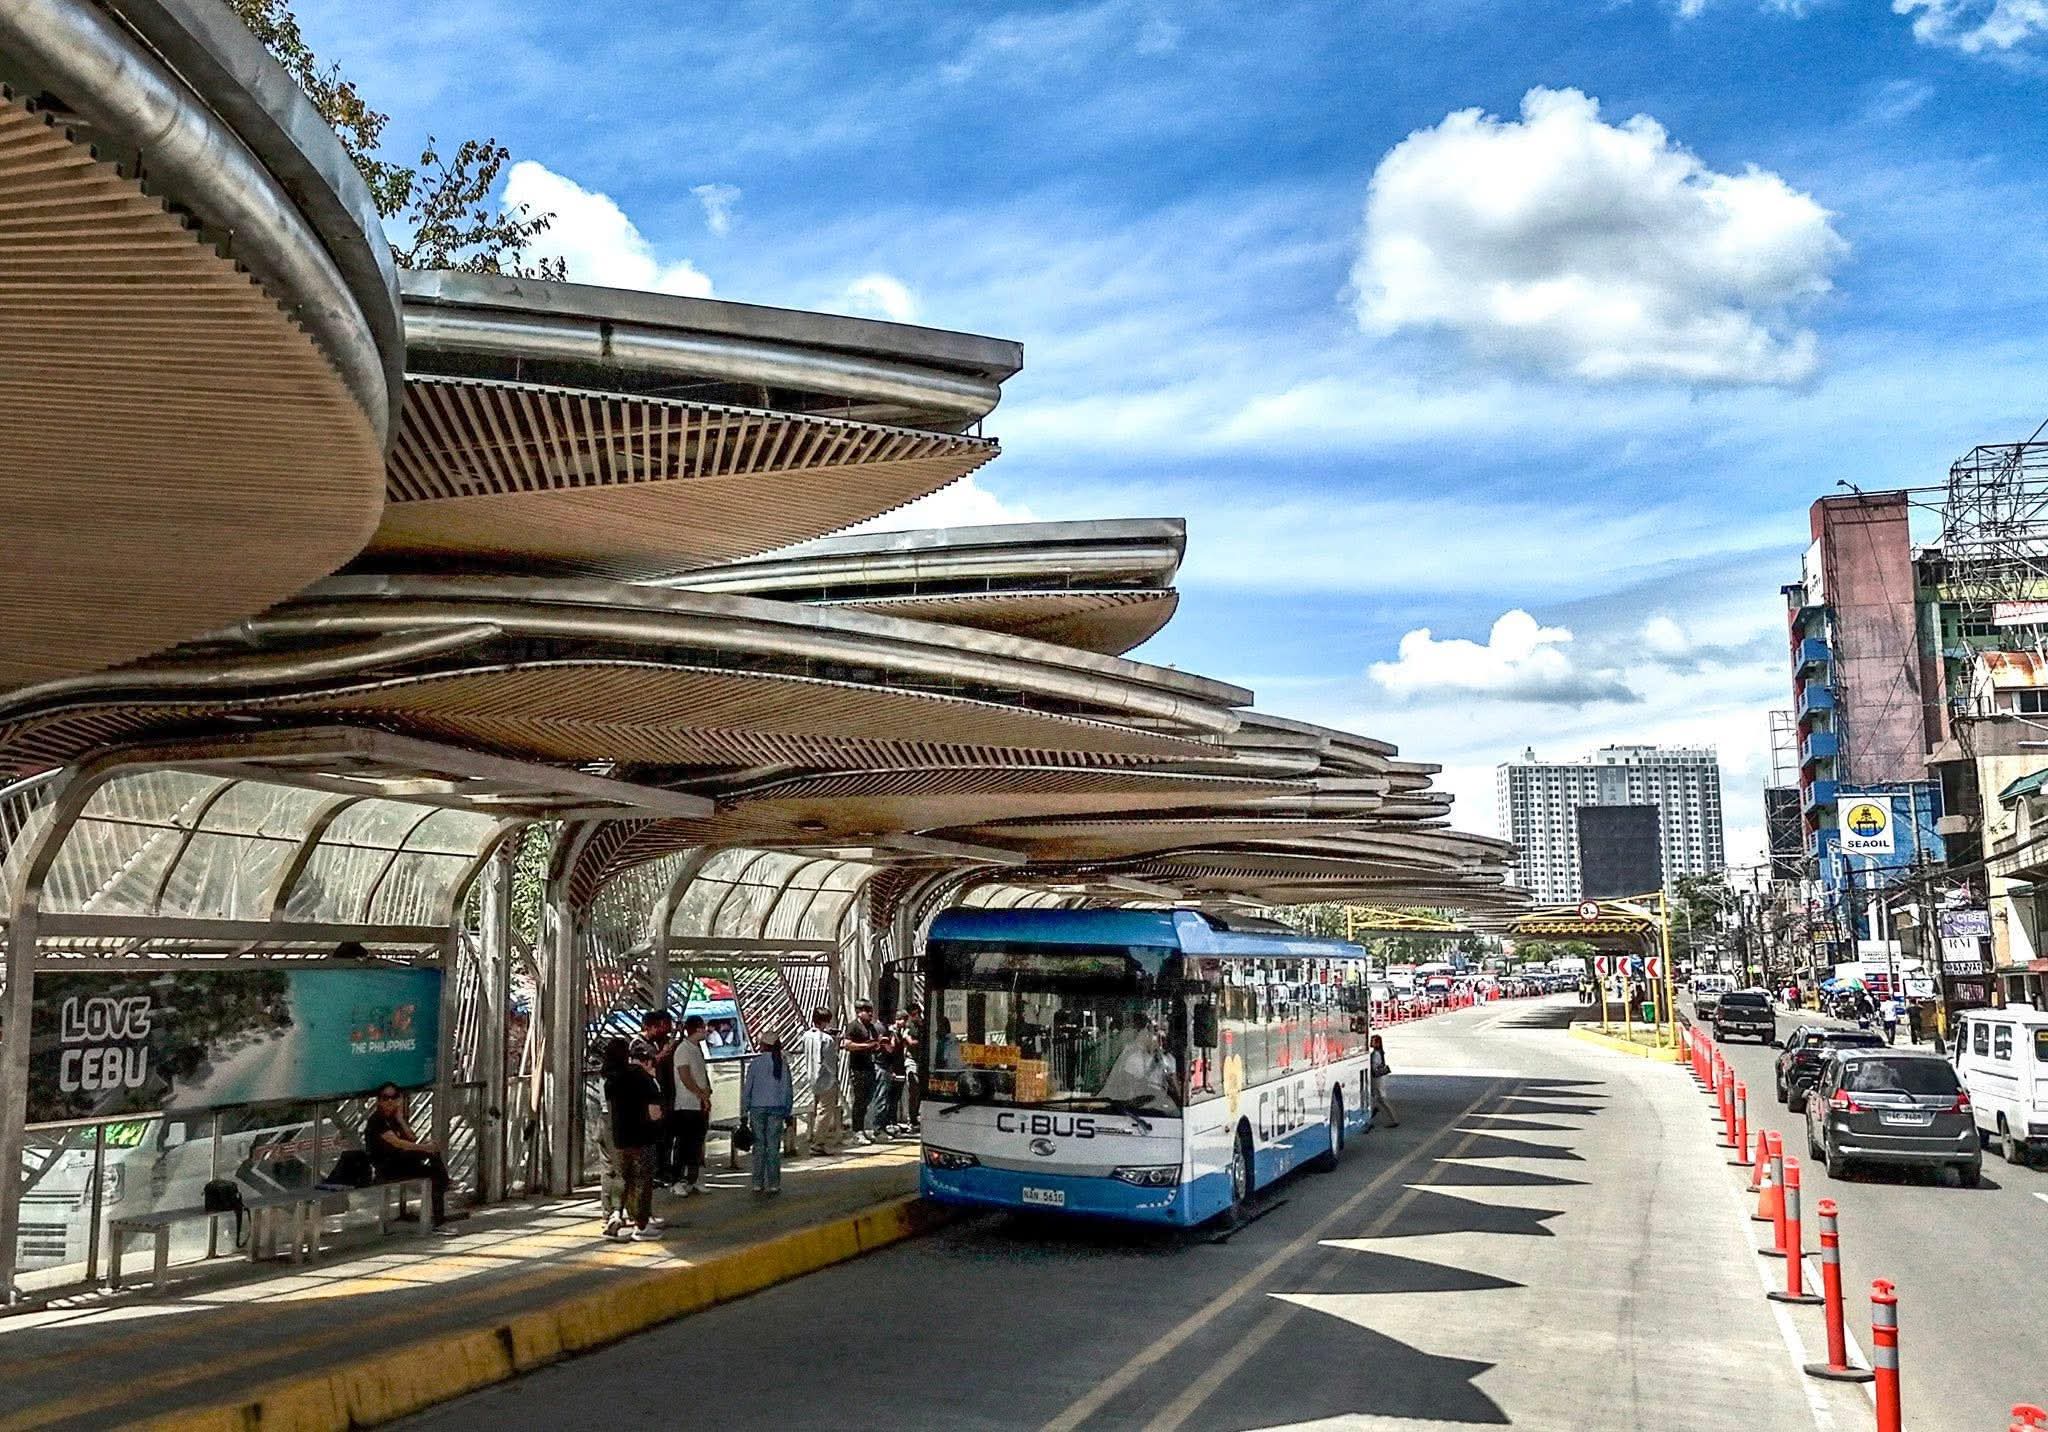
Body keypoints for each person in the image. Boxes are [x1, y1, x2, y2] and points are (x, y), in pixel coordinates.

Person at [364, 1083, 457, 1227]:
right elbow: (398, 1143)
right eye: (385, 1098)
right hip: (386, 1166)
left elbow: (411, 1138)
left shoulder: (394, 1119)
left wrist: (401, 1120)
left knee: (434, 1172)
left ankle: (439, 1215)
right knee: (432, 1160)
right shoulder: (377, 1120)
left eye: (393, 1097)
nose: (390, 1101)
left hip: (400, 1161)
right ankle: (446, 1185)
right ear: (379, 1101)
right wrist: (424, 1148)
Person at [602, 1038, 665, 1240]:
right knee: (641, 1181)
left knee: (620, 1178)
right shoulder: (637, 1075)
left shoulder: (609, 1079)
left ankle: (616, 1214)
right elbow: (654, 1110)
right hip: (641, 1136)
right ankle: (641, 1225)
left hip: (618, 1137)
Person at [741, 1032, 795, 1193]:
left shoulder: (755, 1063)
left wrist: (744, 1111)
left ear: (763, 1045)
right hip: (777, 1108)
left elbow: (747, 1089)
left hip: (757, 1108)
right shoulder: (782, 1063)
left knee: (759, 1146)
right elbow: (787, 1090)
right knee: (773, 1147)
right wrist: (788, 1111)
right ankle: (774, 1183)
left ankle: (757, 1182)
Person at [671, 1014, 713, 1195]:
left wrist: (706, 1093)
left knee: (697, 1142)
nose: (706, 1030)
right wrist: (699, 1093)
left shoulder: (697, 1049)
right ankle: (677, 1179)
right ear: (697, 1029)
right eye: (703, 1027)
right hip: (686, 1104)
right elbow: (685, 1076)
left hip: (699, 1104)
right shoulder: (683, 1049)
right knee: (684, 1143)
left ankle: (693, 1178)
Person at [797, 1007, 845, 1154]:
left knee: (816, 1109)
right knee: (824, 1112)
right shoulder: (827, 1040)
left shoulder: (806, 1035)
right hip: (826, 1079)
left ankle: (811, 1135)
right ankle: (818, 1143)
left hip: (811, 1077)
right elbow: (830, 1061)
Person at [640, 1009, 680, 1184]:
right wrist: (665, 1053)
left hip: (666, 1094)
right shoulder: (639, 1045)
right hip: (652, 1097)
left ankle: (664, 1167)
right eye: (661, 1026)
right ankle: (656, 1169)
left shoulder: (661, 1043)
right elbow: (647, 1064)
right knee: (657, 1136)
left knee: (667, 1135)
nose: (665, 1029)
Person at [842, 1000, 885, 1143]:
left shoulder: (871, 1027)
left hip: (870, 1066)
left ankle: (866, 1128)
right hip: (858, 1068)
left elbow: (875, 1042)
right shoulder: (853, 1026)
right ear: (859, 1012)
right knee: (859, 1100)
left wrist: (877, 1044)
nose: (870, 1013)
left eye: (871, 1010)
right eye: (867, 1011)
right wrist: (865, 1046)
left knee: (868, 1099)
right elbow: (847, 1045)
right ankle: (857, 1131)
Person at [901, 1002, 927, 1134]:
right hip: (912, 1060)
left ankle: (918, 1116)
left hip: (924, 1061)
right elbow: (910, 1042)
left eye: (917, 1014)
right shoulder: (908, 1026)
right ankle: (912, 1119)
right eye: (913, 1014)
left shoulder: (925, 1025)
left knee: (922, 1091)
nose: (915, 1016)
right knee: (914, 1088)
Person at [1368, 1035, 1399, 1128]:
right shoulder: (1379, 1053)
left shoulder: (1375, 1054)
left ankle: (1394, 1119)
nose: (1370, 1042)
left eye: (1372, 1041)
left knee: (1381, 1098)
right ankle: (1372, 1114)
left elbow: (1374, 1067)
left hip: (1377, 1078)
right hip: (1379, 1078)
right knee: (1376, 1097)